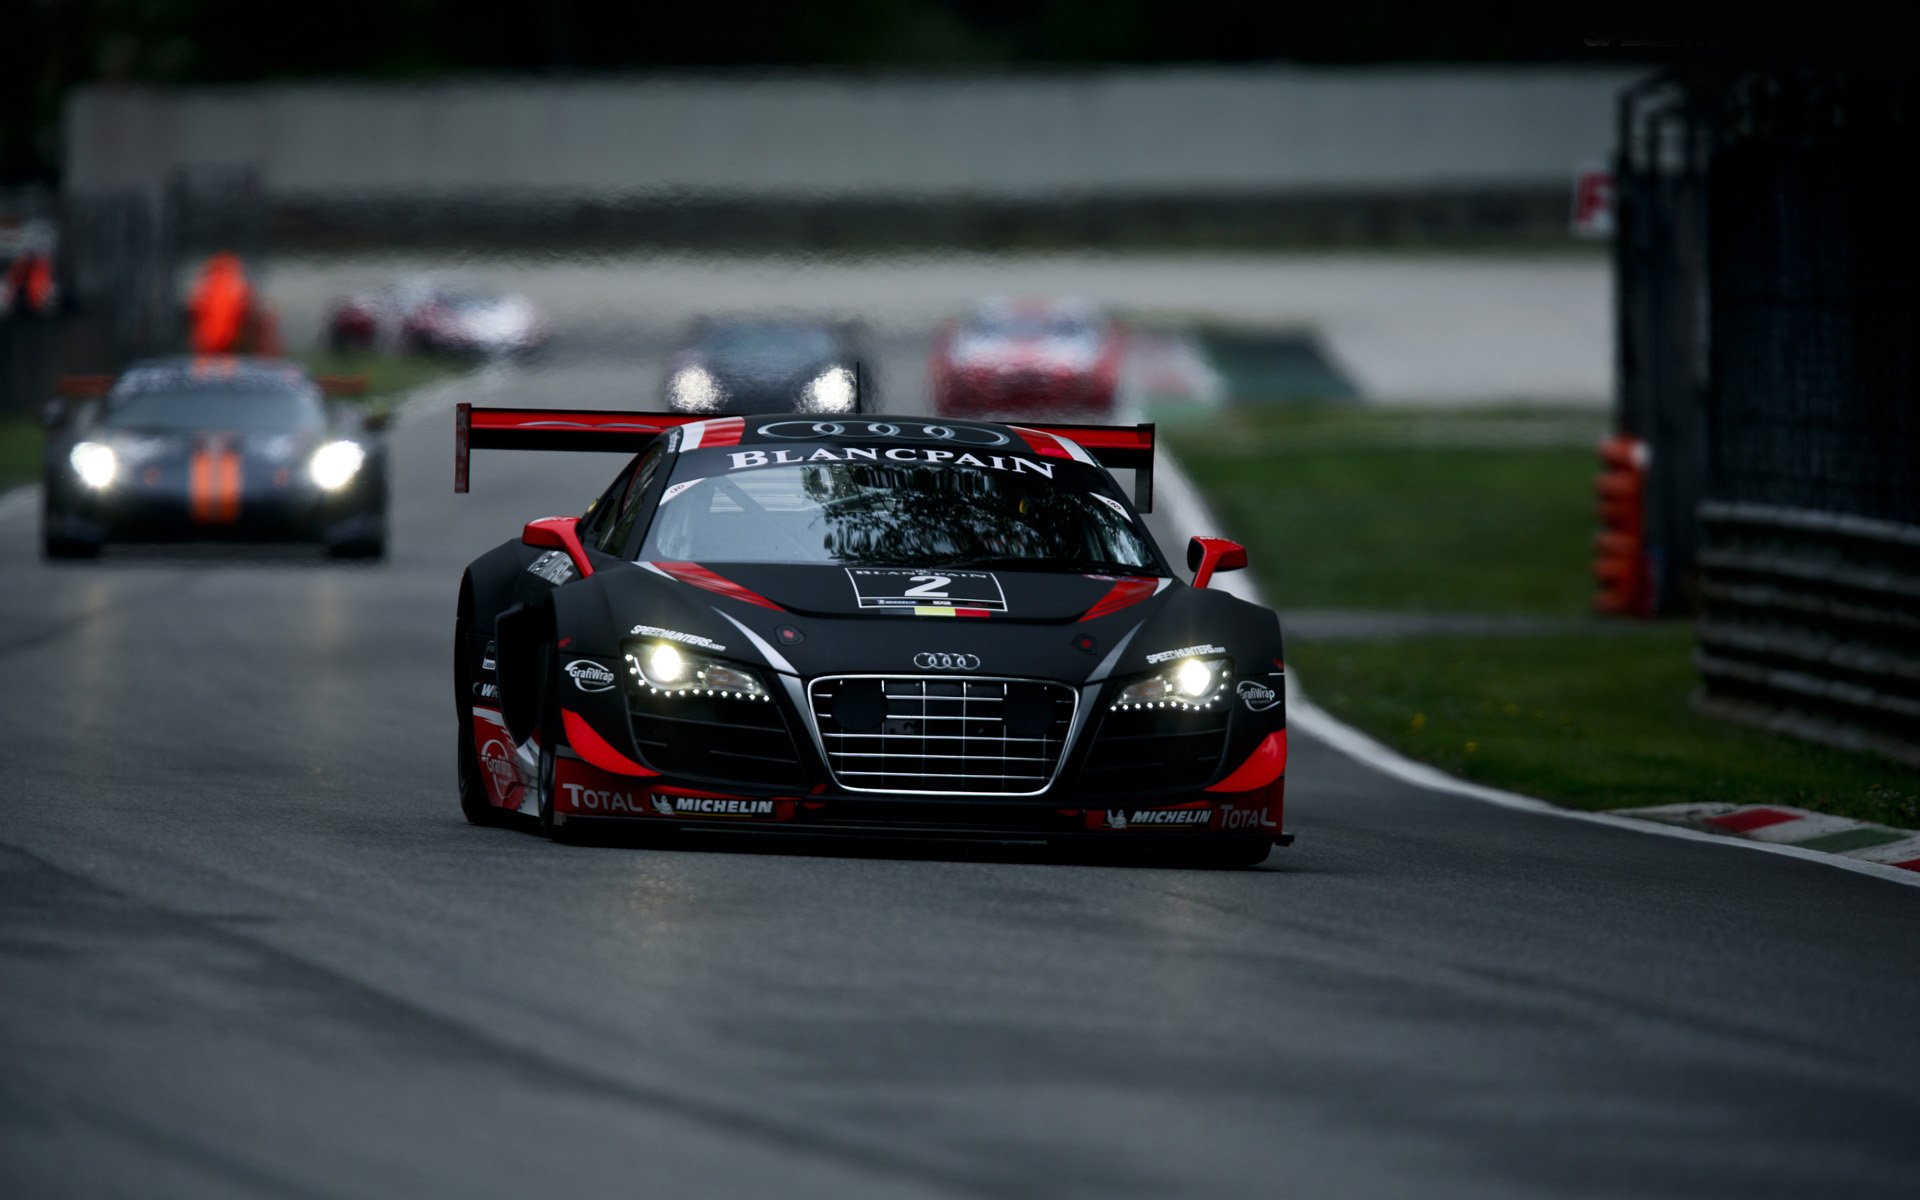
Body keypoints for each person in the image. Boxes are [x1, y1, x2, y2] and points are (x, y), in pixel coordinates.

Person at [186, 252, 254, 354]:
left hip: (222, 339)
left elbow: (194, 305)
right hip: (213, 338)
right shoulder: (225, 283)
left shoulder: (212, 282)